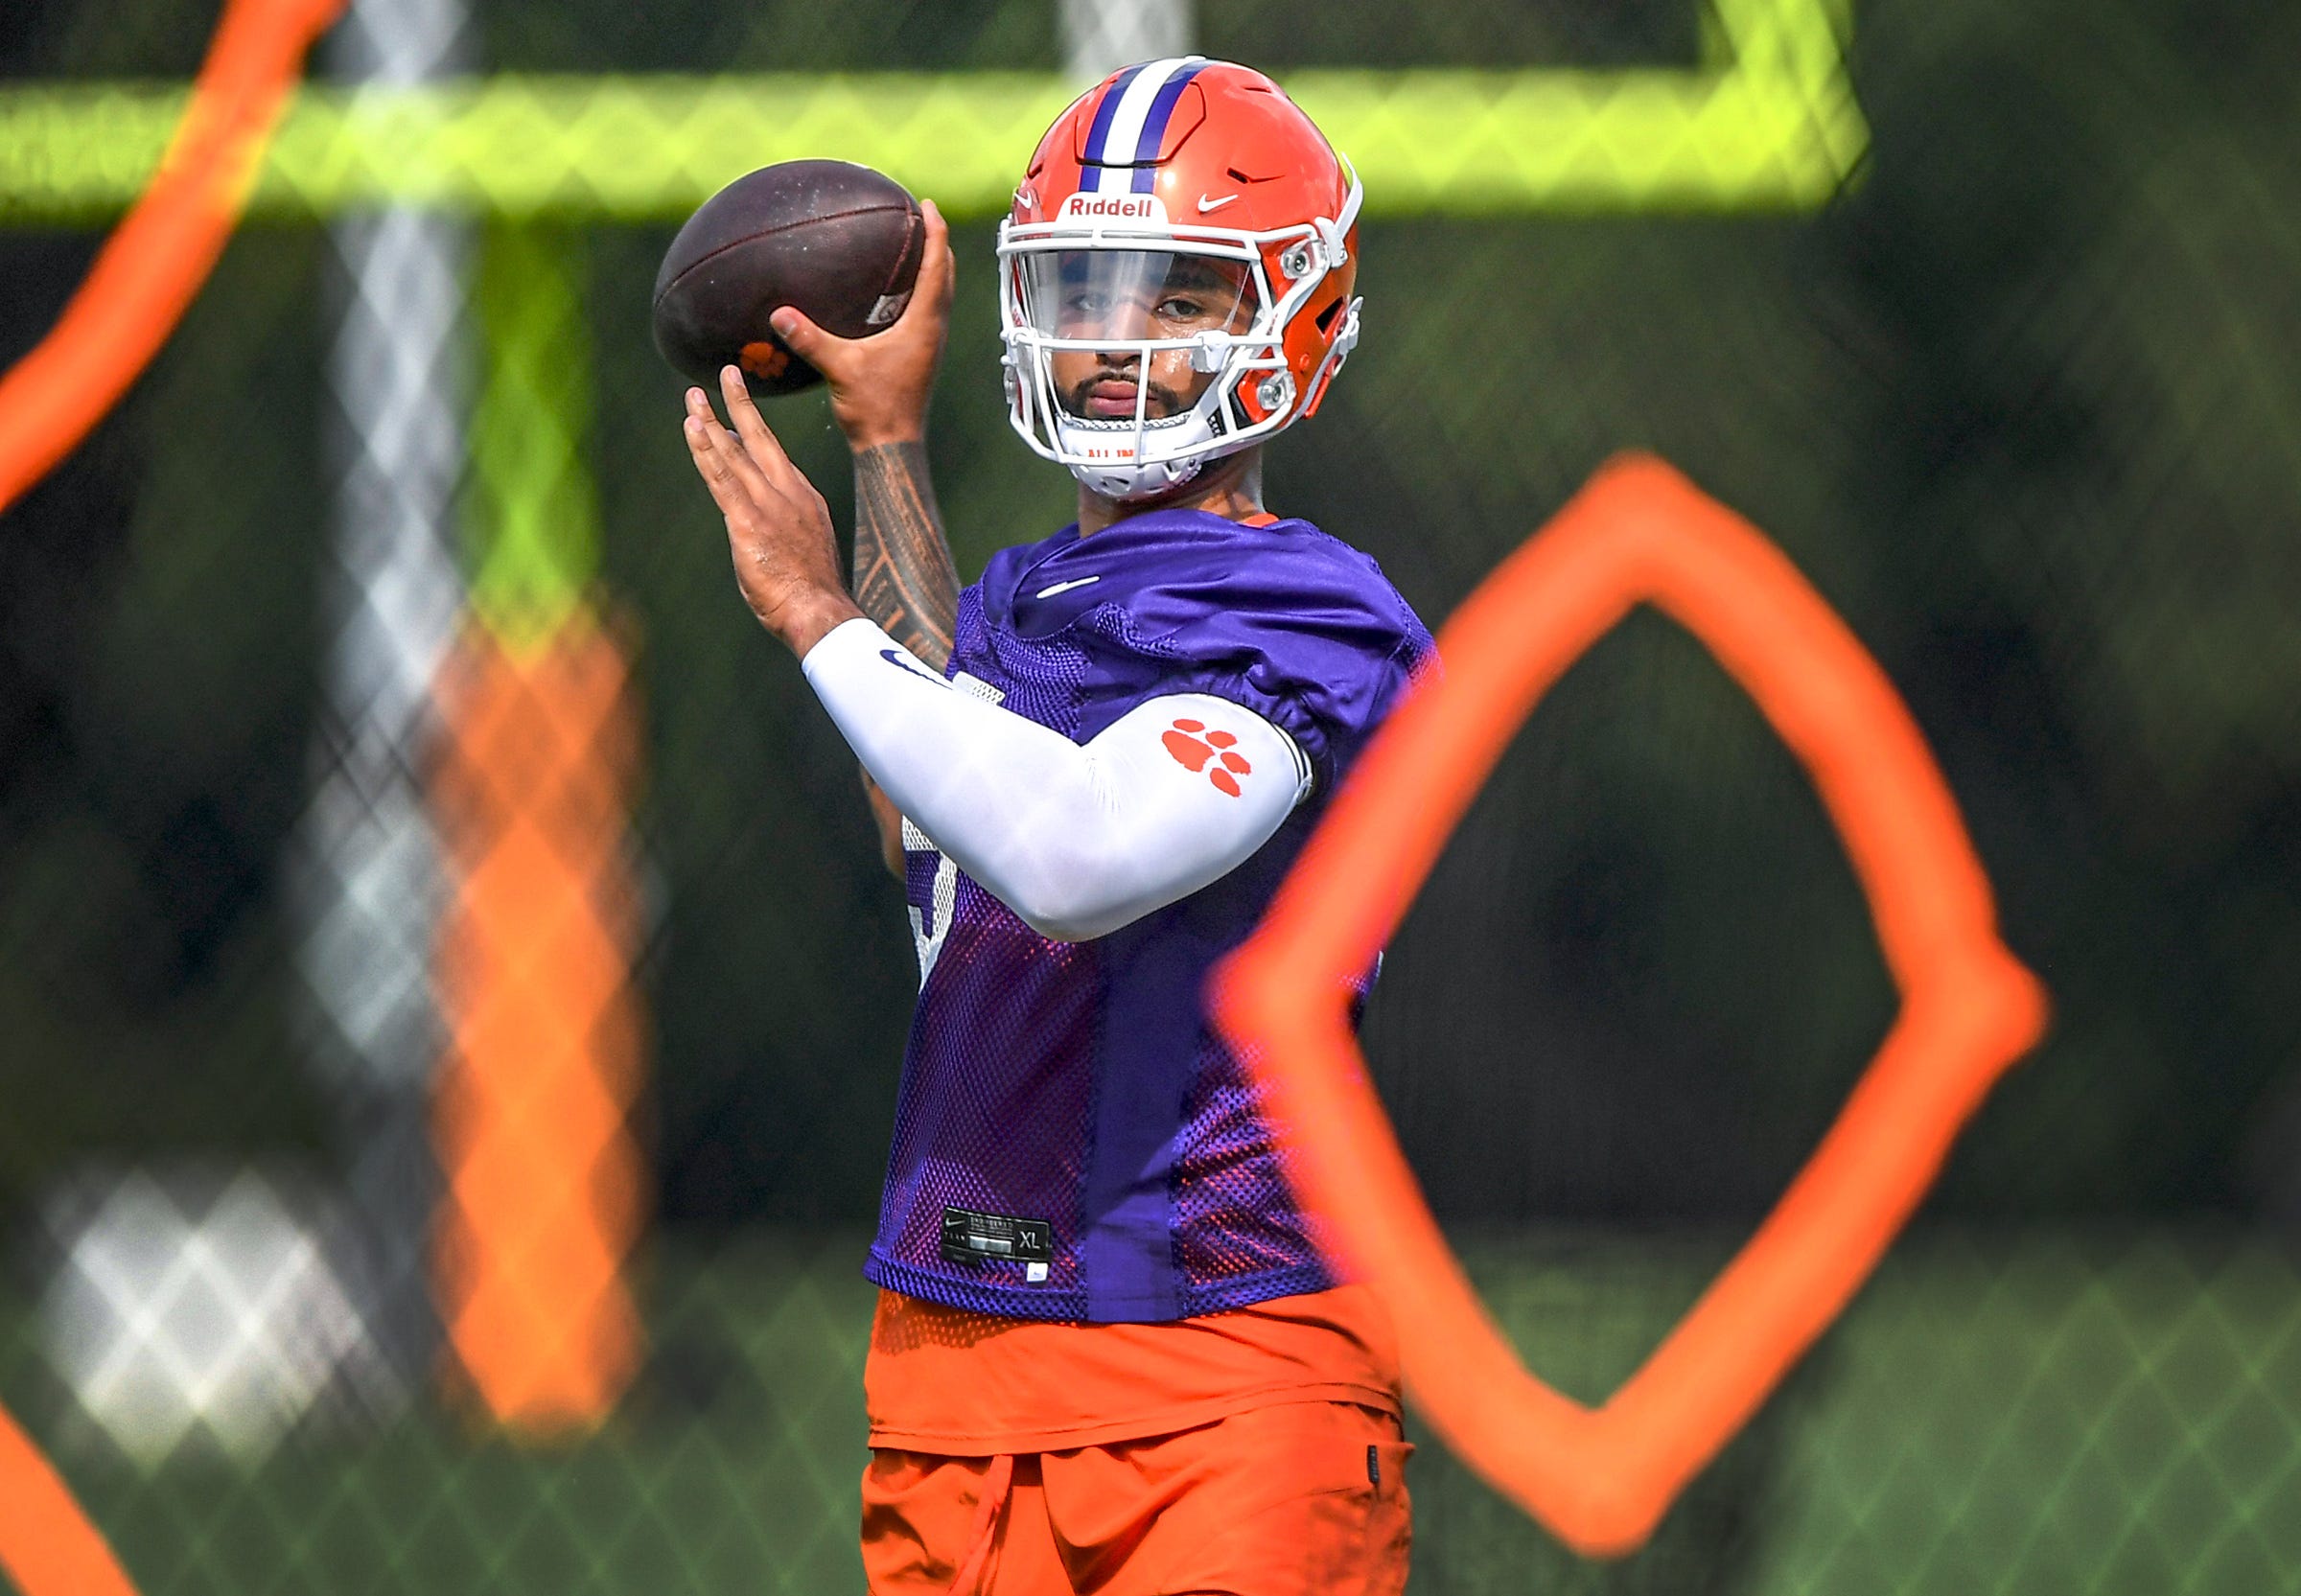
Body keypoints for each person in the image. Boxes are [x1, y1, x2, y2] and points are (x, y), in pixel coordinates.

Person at [680, 56, 1431, 1596]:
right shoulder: (1025, 598)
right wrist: (882, 439)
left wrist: (819, 617)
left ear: (1297, 315)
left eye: (1179, 296)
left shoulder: (1312, 612)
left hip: (1223, 1369)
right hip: (956, 1378)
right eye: (1088, 290)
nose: (1116, 342)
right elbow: (937, 838)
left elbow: (1073, 854)